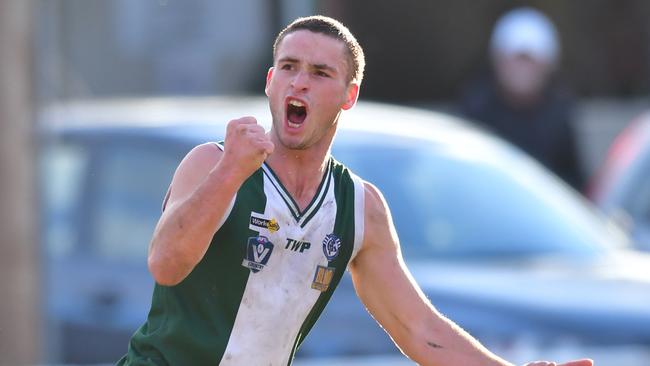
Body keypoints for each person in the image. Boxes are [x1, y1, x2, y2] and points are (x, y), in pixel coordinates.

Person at [118, 15, 593, 366]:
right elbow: (165, 264)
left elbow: (419, 329)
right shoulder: (213, 163)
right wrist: (228, 174)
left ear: (349, 95)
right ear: (270, 82)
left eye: (321, 73)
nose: (299, 81)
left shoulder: (359, 207)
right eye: (288, 67)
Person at [459, 7, 584, 191]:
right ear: (497, 61)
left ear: (548, 66)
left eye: (530, 61)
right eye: (515, 60)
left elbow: (573, 183)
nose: (522, 70)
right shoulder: (475, 110)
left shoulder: (560, 117)